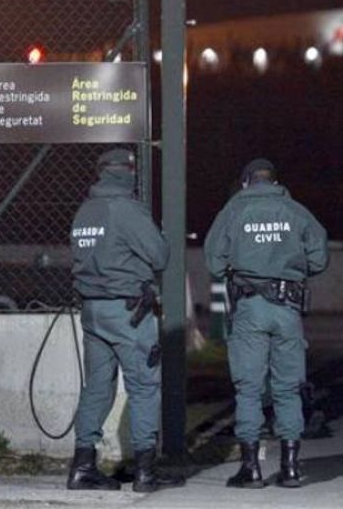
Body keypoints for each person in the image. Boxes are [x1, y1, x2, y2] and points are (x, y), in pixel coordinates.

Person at [204, 158, 329, 488]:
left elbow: (213, 262)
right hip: (288, 308)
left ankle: (251, 469)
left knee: (249, 388)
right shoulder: (297, 211)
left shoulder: (232, 212)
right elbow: (319, 258)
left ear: (246, 181)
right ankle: (290, 467)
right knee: (288, 388)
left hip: (250, 308)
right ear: (274, 181)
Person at [67, 148, 184, 493]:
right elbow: (159, 255)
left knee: (97, 388)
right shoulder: (127, 210)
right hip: (128, 313)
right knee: (144, 386)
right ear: (129, 172)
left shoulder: (85, 212)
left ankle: (82, 467)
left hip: (92, 312)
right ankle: (146, 473)